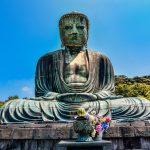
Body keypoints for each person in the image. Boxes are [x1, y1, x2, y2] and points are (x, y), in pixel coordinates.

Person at [0, 12, 150, 123]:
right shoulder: (47, 59)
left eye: (79, 27)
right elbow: (42, 92)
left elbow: (108, 91)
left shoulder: (102, 59)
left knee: (142, 105)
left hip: (94, 105)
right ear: (61, 33)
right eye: (67, 28)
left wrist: (95, 96)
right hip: (58, 106)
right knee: (12, 108)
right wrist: (57, 96)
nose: (73, 31)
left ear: (87, 32)